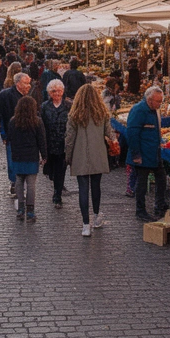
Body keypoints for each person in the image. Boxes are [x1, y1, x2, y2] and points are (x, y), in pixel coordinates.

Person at [65, 84, 117, 236]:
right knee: (96, 187)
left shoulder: (74, 115)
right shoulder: (102, 114)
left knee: (83, 188)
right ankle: (96, 216)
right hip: (98, 154)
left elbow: (69, 138)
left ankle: (85, 224)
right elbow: (110, 133)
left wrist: (68, 157)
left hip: (80, 155)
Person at [126, 86, 168, 222]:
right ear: (149, 100)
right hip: (143, 155)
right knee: (142, 184)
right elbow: (132, 133)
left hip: (154, 153)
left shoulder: (154, 111)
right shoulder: (139, 110)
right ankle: (140, 210)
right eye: (158, 102)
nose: (159, 105)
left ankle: (160, 205)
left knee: (162, 178)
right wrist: (136, 154)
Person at [7, 96, 47, 223]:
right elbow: (42, 140)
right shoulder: (37, 121)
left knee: (19, 181)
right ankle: (30, 211)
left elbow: (10, 139)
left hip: (18, 156)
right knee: (31, 184)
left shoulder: (13, 121)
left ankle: (20, 208)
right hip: (31, 156)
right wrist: (44, 155)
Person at [0, 72, 32, 195]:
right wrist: (3, 134)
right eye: (26, 83)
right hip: (11, 134)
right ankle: (14, 182)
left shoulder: (30, 96)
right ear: (18, 84)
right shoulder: (5, 95)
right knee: (12, 160)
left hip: (27, 134)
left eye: (29, 83)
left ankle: (21, 183)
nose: (29, 86)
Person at [40, 79, 72, 207]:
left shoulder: (68, 106)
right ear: (49, 92)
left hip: (63, 144)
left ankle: (57, 195)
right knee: (50, 171)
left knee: (61, 170)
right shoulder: (44, 106)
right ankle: (55, 184)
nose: (57, 93)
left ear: (63, 91)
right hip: (49, 143)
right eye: (54, 91)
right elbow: (41, 126)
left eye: (59, 91)